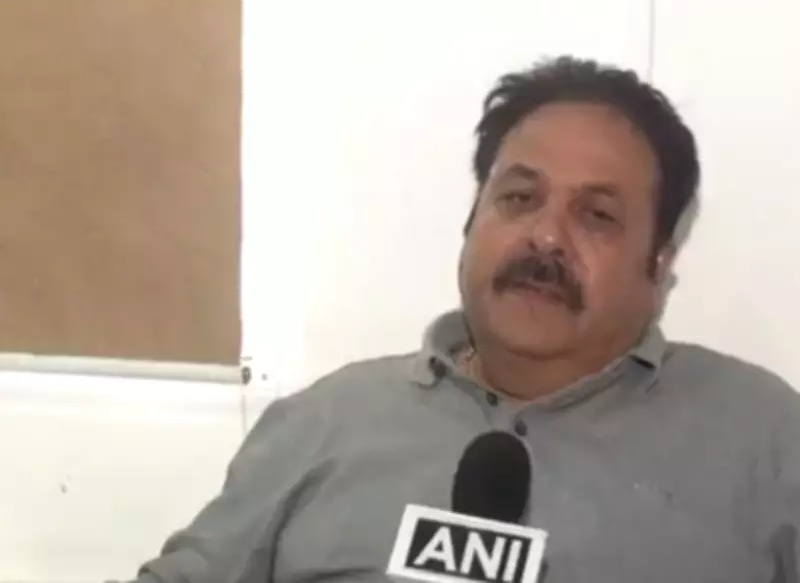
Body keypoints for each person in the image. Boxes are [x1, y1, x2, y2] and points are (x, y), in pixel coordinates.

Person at [122, 57, 800, 583]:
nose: (546, 237)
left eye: (596, 215)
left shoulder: (766, 441)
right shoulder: (325, 421)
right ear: (473, 221)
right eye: (520, 198)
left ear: (659, 263)